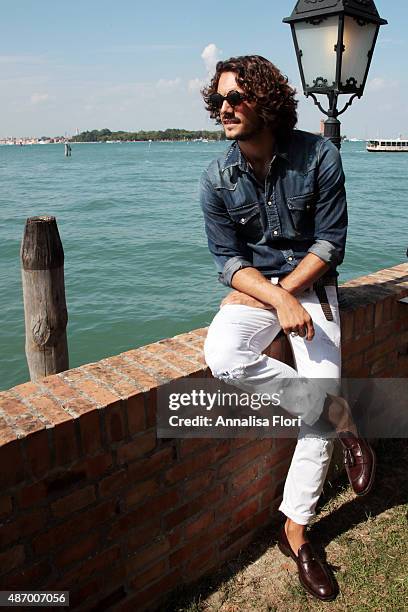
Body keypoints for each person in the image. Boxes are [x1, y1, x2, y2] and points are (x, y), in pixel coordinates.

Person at [199, 55, 375, 601]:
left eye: (236, 97)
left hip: (313, 285)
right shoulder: (216, 177)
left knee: (315, 412)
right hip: (260, 292)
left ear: (265, 101)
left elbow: (330, 244)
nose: (224, 108)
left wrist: (291, 292)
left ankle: (296, 533)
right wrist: (275, 297)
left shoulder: (319, 154)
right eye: (219, 99)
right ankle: (342, 419)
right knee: (224, 355)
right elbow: (228, 261)